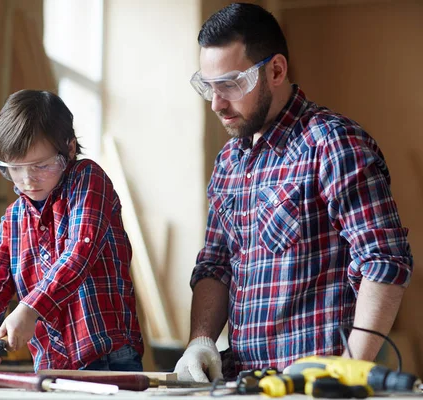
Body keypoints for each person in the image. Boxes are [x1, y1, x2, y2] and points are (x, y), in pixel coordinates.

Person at [174, 2, 413, 382]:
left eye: (231, 84)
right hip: (245, 382)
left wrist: (350, 367)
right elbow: (215, 265)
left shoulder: (332, 144)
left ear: (276, 70)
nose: (217, 103)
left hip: (313, 384)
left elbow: (383, 260)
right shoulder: (228, 162)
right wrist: (200, 341)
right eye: (209, 87)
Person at [0, 90, 143, 373]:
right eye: (15, 169)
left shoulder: (87, 180)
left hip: (109, 359)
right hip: (50, 367)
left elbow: (79, 253)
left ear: (69, 148)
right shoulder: (13, 219)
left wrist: (31, 308)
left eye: (41, 166)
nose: (28, 180)